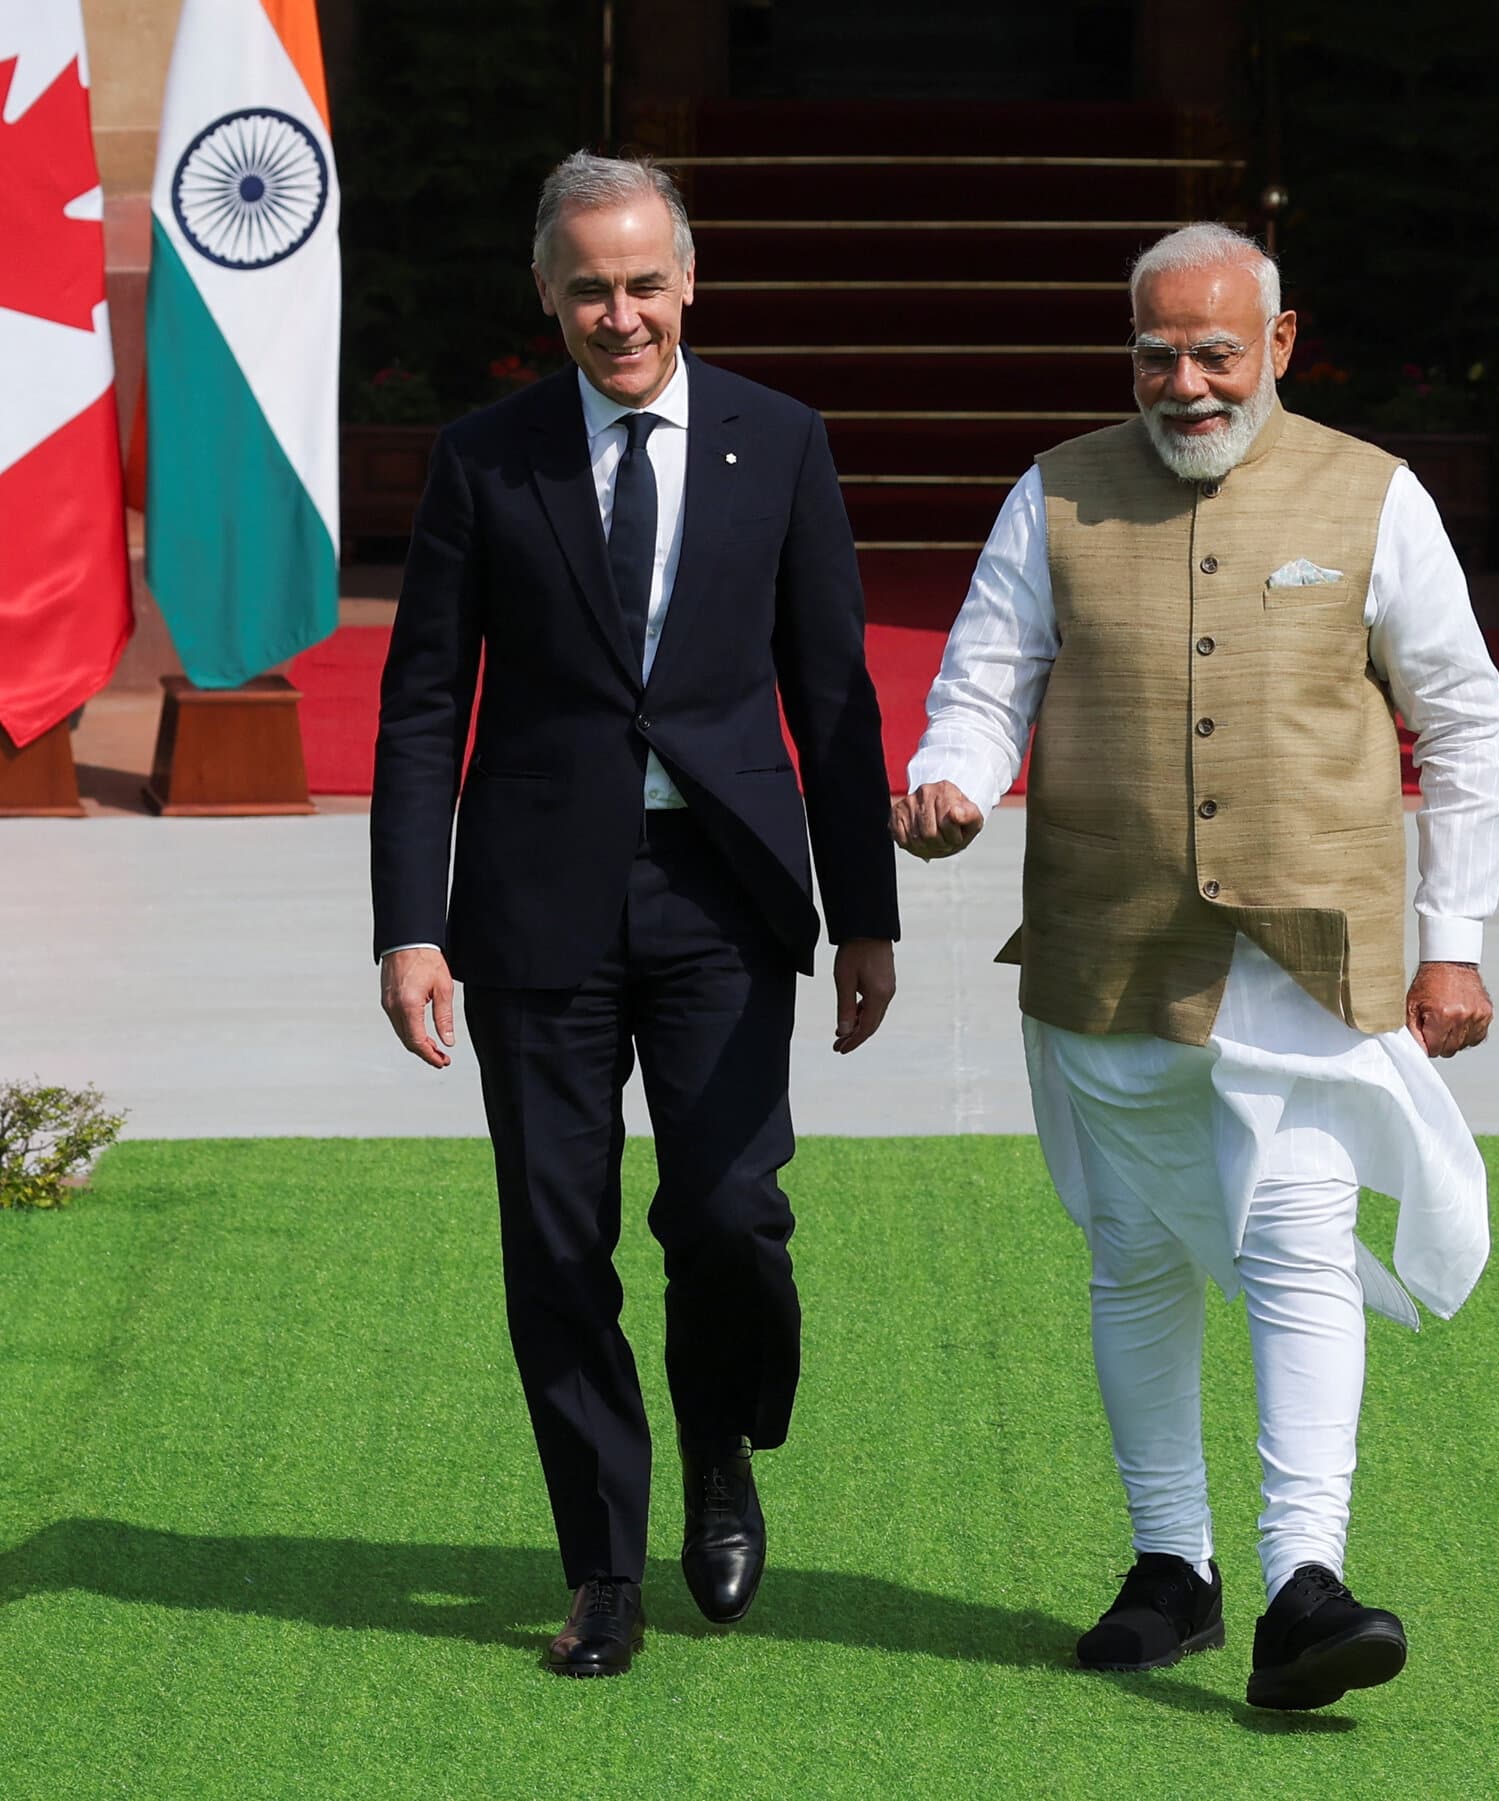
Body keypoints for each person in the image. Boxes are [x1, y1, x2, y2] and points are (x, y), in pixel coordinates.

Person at [892, 221, 1499, 1712]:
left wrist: (1460, 943)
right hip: (1106, 950)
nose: (1186, 382)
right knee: (1140, 1255)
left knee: (1294, 1236)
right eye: (1157, 353)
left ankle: (1304, 1578)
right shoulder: (1052, 492)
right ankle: (1170, 1564)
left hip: (1305, 960)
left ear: (1279, 348)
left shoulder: (1376, 494)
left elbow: (1467, 720)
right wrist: (950, 775)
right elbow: (984, 682)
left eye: (1216, 352)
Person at [371, 153, 899, 1677]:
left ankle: (721, 1433)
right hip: (537, 908)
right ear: (547, 293)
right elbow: (421, 709)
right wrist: (411, 924)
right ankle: (603, 1563)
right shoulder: (488, 457)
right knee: (556, 1247)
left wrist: (861, 915)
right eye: (589, 287)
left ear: (689, 280)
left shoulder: (779, 441)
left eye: (643, 282)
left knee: (729, 1215)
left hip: (725, 896)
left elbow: (833, 694)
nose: (620, 314)